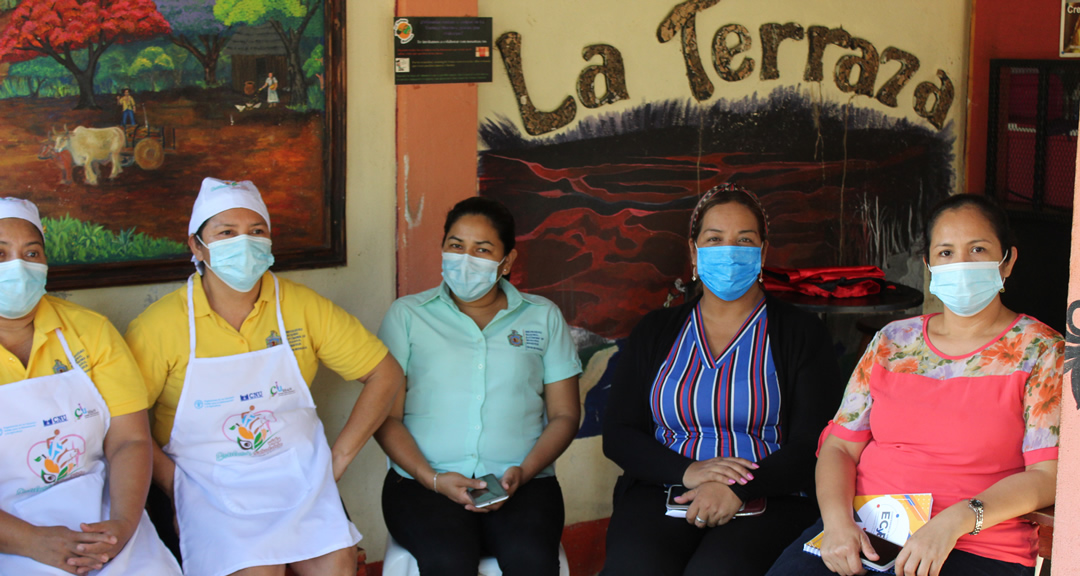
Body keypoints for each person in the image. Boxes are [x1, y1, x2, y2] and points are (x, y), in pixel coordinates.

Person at [766, 194, 1062, 576]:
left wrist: (956, 520)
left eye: (978, 249)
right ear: (929, 265)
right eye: (945, 252)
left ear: (1008, 261)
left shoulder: (1041, 350)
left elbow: (1046, 477)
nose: (961, 264)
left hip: (977, 543)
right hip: (866, 531)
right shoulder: (893, 341)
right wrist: (838, 524)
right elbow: (839, 447)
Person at [125, 178, 403, 576]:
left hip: (296, 474)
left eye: (257, 232)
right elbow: (124, 426)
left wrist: (335, 461)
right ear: (197, 246)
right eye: (226, 233)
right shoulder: (160, 326)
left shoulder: (301, 307)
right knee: (257, 571)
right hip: (208, 483)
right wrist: (178, 489)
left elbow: (384, 373)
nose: (244, 243)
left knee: (338, 564)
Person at [601, 183, 844, 576]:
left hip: (772, 495)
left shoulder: (800, 333)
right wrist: (689, 471)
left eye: (744, 240)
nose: (730, 252)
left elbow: (815, 442)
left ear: (763, 253)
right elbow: (619, 433)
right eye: (714, 239)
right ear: (694, 253)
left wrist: (737, 487)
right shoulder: (656, 330)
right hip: (665, 488)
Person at [375, 197, 582, 576]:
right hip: (421, 484)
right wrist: (431, 478)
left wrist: (525, 471)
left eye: (482, 249)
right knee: (447, 561)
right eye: (456, 245)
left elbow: (566, 415)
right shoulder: (408, 316)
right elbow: (386, 418)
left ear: (507, 261)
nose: (465, 258)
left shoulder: (542, 316)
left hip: (525, 484)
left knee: (531, 560)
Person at [0, 198, 181, 576]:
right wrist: (30, 541)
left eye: (31, 252)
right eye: (1, 254)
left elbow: (129, 440)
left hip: (101, 511)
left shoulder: (91, 332)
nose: (18, 266)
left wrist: (122, 526)